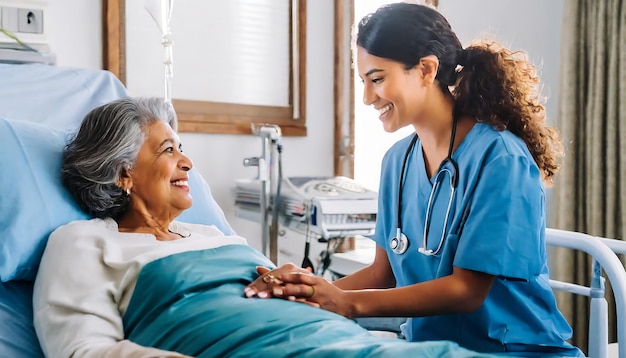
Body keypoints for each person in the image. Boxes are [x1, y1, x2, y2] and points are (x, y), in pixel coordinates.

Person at [32, 97, 495, 358]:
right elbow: (84, 352)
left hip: (344, 344)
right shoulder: (83, 242)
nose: (187, 161)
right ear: (122, 174)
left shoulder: (214, 237)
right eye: (168, 150)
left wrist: (309, 289)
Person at [244, 3, 584, 357]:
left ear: (426, 69)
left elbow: (467, 290)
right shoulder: (398, 162)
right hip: (431, 349)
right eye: (363, 82)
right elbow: (382, 274)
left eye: (377, 79)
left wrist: (346, 303)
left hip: (513, 350)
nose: (367, 97)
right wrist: (309, 292)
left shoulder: (501, 158)